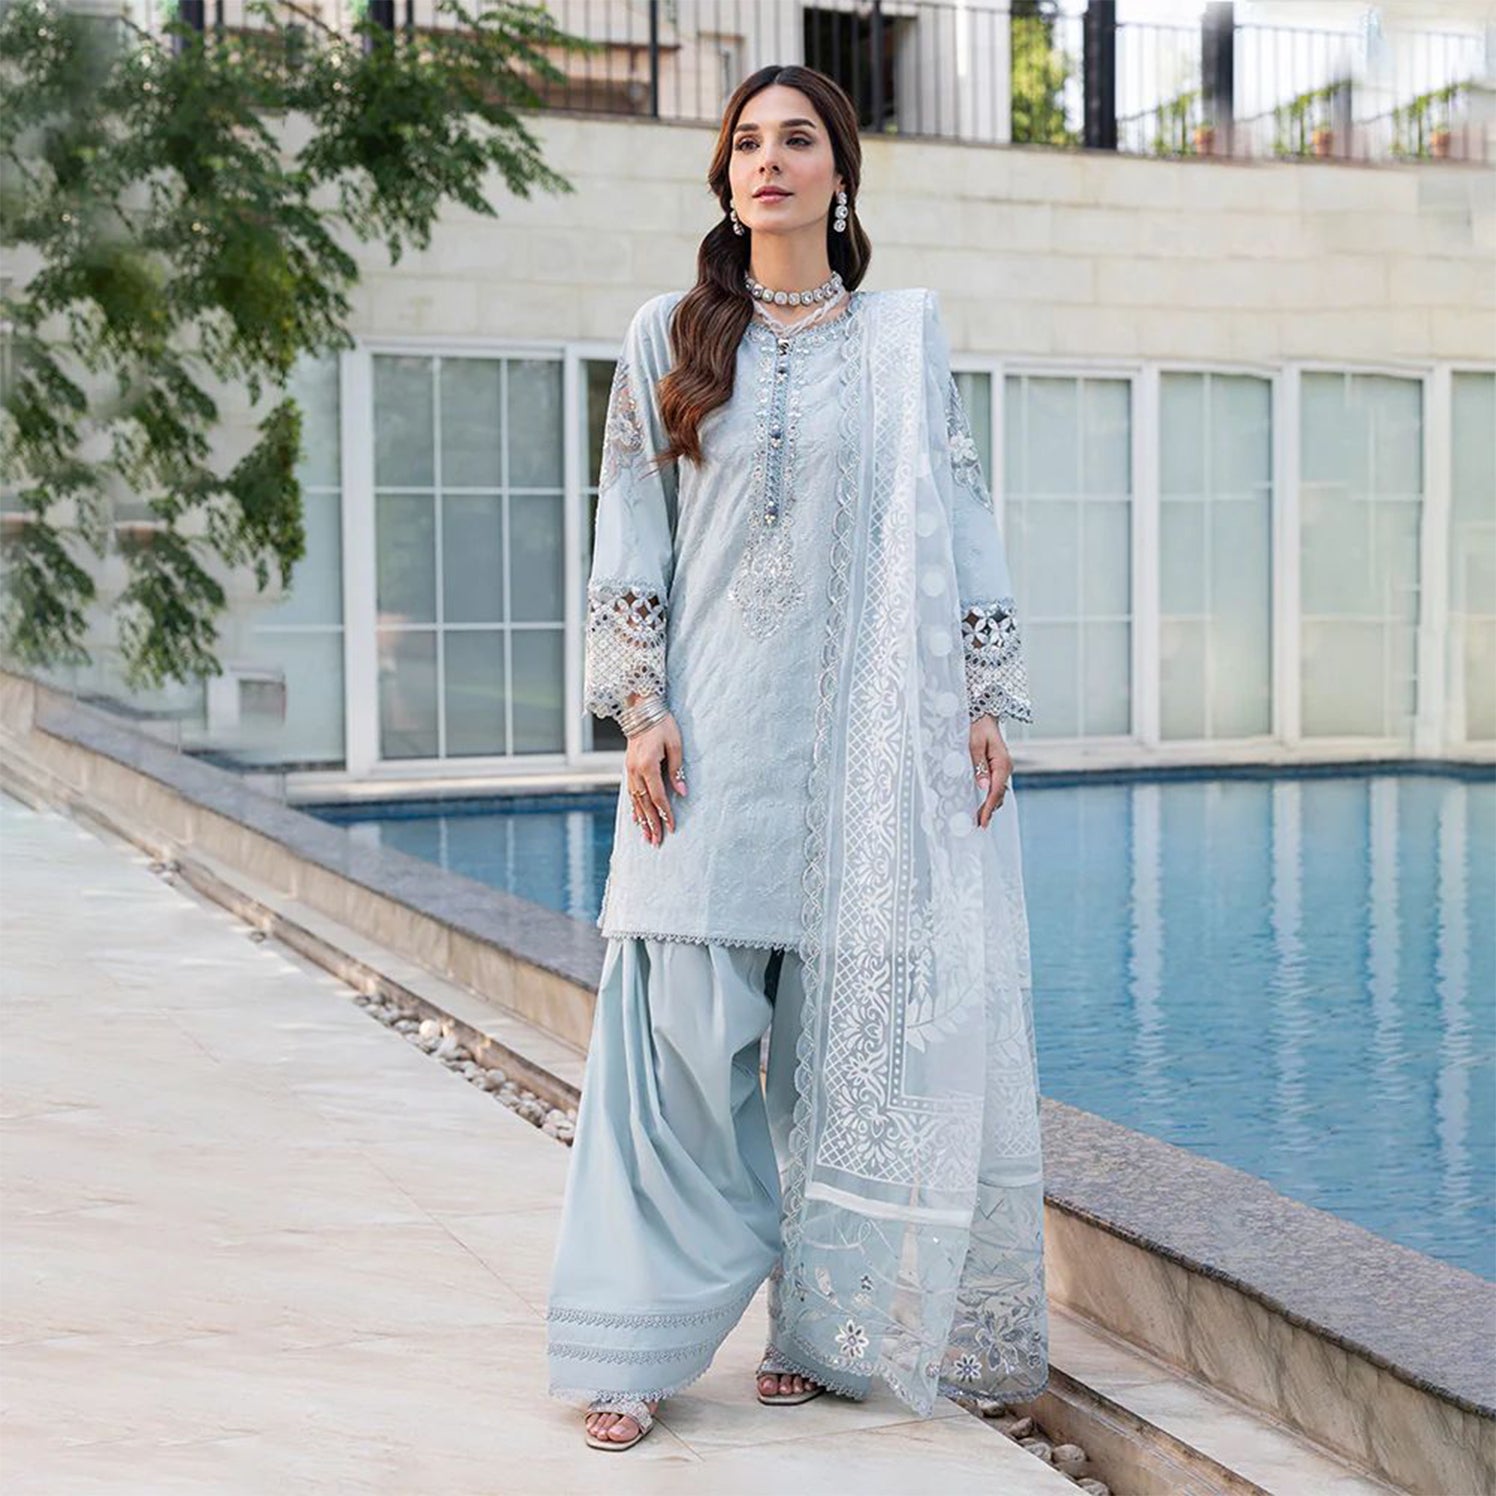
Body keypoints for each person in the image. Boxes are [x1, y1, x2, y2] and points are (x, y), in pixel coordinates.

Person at [546, 63, 1049, 1453]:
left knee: (840, 1062)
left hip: (864, 753)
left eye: (798, 139)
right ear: (725, 179)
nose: (768, 160)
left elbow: (958, 511)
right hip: (706, 747)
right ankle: (632, 1342)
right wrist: (639, 706)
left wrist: (983, 695)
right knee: (672, 1055)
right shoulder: (670, 334)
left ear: (839, 174)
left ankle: (823, 1331)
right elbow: (628, 528)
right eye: (747, 143)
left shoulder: (901, 339)